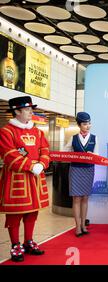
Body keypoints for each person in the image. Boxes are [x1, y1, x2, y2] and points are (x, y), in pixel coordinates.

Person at [0, 96, 49, 262]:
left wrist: (42, 164)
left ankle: (28, 241)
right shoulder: (6, 131)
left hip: (35, 179)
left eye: (31, 109)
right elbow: (9, 155)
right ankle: (15, 245)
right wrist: (31, 165)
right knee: (15, 214)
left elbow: (45, 150)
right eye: (27, 110)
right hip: (17, 180)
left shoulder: (38, 131)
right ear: (17, 111)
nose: (31, 112)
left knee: (32, 212)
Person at [64, 112, 98, 237]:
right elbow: (64, 153)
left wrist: (92, 155)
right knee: (76, 198)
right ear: (79, 125)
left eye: (89, 123)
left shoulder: (94, 138)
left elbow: (97, 156)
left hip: (88, 170)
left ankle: (84, 224)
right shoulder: (73, 138)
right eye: (85, 124)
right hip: (76, 170)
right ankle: (77, 226)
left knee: (85, 198)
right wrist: (74, 154)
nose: (88, 126)